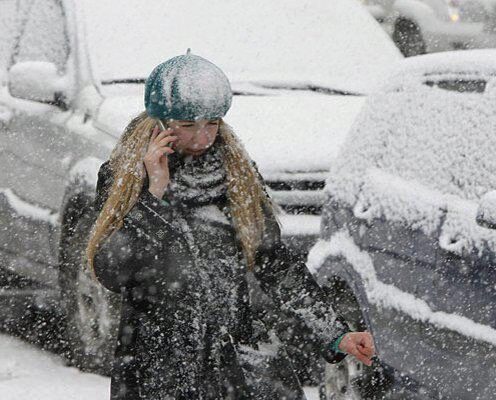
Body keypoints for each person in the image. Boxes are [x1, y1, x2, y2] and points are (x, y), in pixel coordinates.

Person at [85, 52, 375, 400]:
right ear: (159, 123)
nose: (202, 137)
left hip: (236, 362)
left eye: (212, 124)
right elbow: (112, 271)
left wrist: (334, 332)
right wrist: (155, 195)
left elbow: (275, 264)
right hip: (157, 365)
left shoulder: (236, 174)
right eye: (188, 125)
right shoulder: (125, 176)